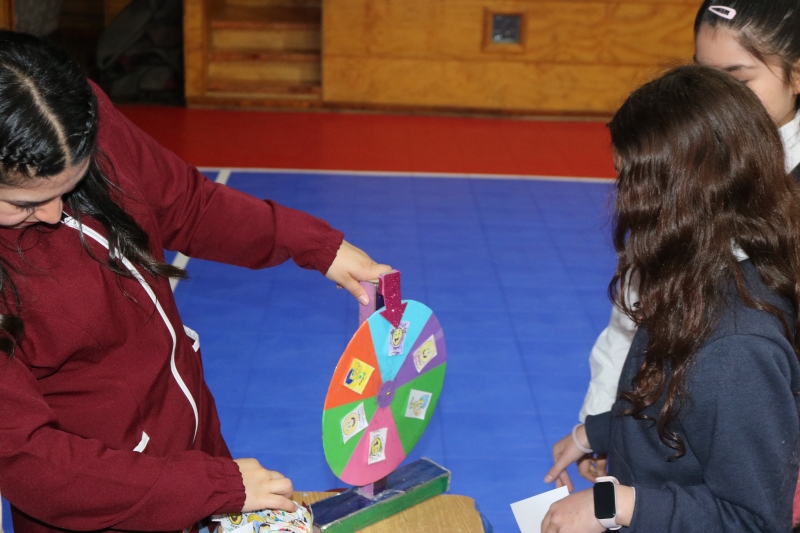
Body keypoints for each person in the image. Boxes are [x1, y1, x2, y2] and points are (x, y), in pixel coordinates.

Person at [0, 30, 390, 533]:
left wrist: (314, 244)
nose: (54, 214)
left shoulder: (68, 117)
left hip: (186, 450)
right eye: (25, 203)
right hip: (102, 504)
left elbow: (185, 202)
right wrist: (210, 487)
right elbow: (31, 464)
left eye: (73, 184)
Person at [542, 64, 800, 533]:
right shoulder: (700, 276)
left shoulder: (736, 348)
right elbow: (678, 401)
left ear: (674, 196)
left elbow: (753, 521)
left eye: (627, 179)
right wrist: (594, 434)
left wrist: (611, 505)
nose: (621, 197)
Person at [576, 0, 800, 485]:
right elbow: (635, 319)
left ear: (796, 76)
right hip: (673, 446)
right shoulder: (683, 170)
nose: (717, 100)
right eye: (703, 75)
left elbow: (752, 503)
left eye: (737, 82)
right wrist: (601, 427)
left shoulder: (745, 338)